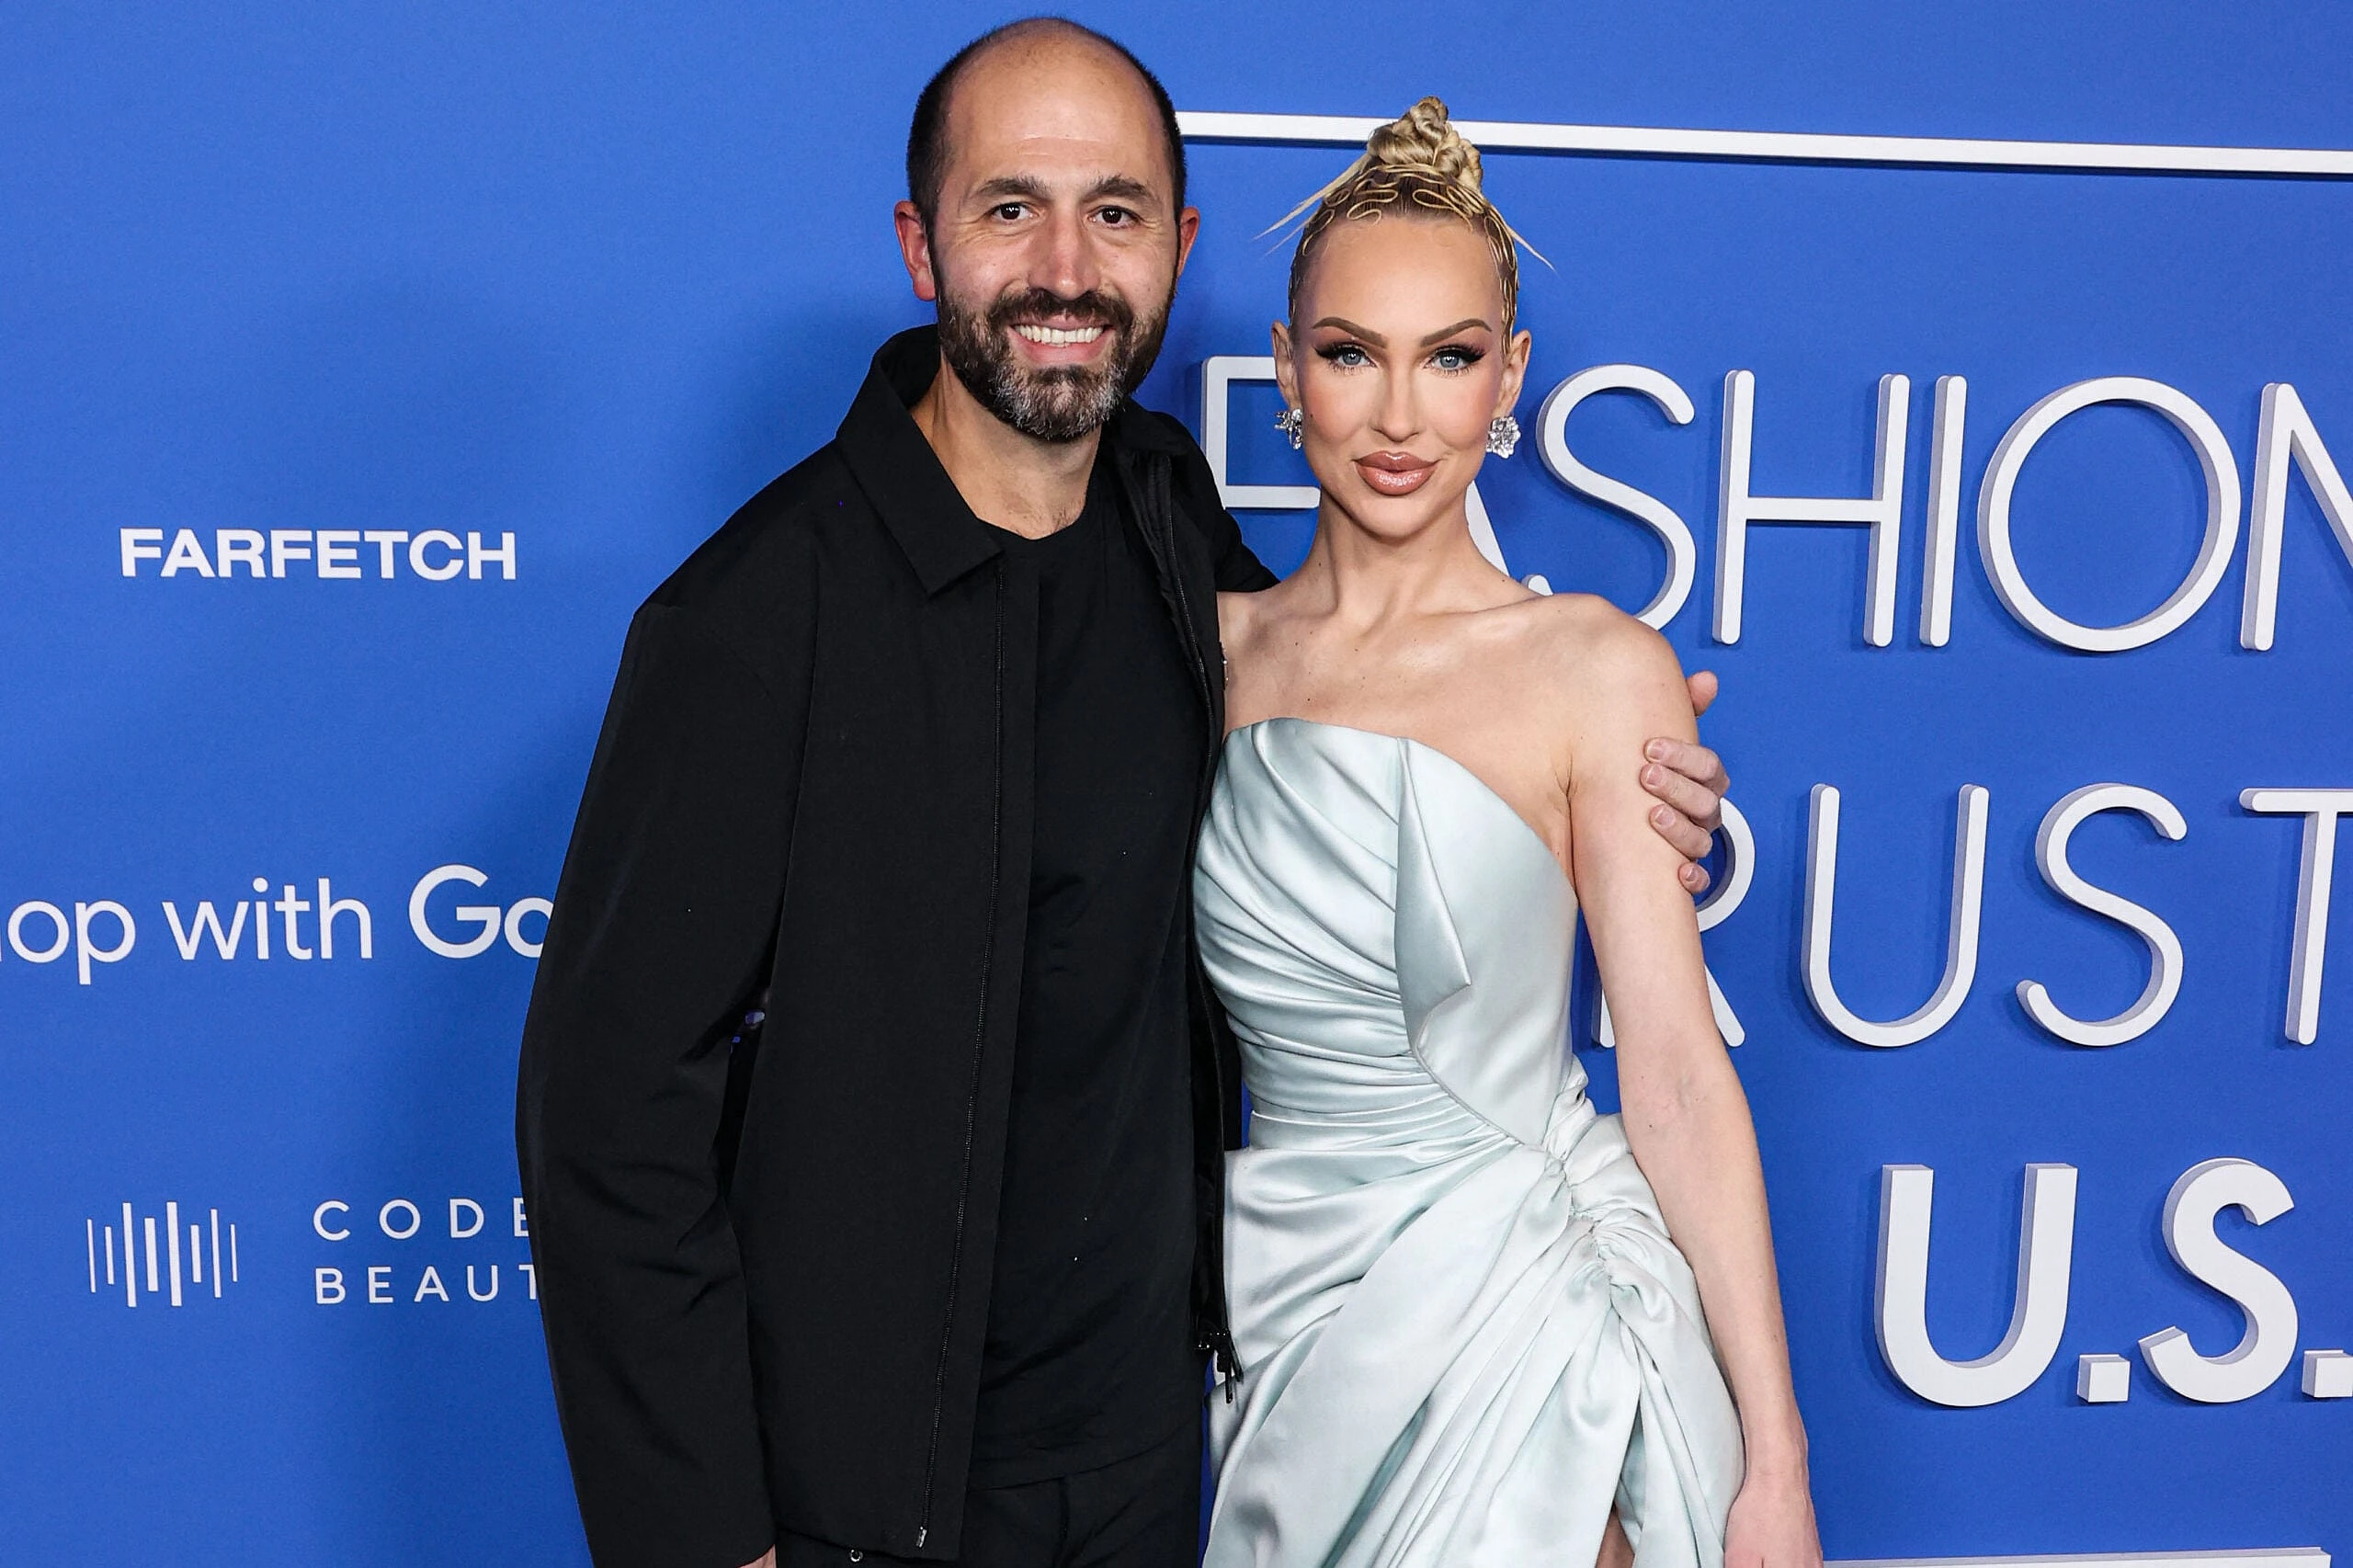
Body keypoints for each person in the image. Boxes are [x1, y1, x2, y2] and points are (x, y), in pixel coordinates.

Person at [515, 24, 1732, 1568]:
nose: (1068, 268)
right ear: (919, 244)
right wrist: (713, 1541)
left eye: (1118, 210)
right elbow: (605, 1116)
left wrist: (1624, 764)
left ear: (1179, 247)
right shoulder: (755, 621)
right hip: (871, 1506)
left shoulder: (1166, 516)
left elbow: (1357, 715)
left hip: (1179, 1460)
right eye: (1009, 207)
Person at [1197, 100, 1821, 1568]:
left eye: (1451, 357)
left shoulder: (1598, 666)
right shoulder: (1198, 655)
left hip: (1537, 1325)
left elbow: (1669, 1072)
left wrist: (1776, 1462)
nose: (1399, 417)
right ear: (1287, 370)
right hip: (1288, 1330)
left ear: (1512, 375)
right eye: (1352, 353)